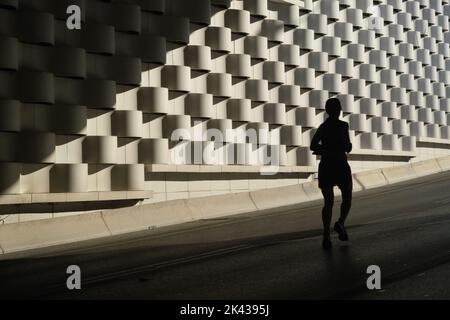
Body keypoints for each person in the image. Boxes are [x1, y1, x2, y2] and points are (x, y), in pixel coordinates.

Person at [310, 98, 353, 250]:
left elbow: (313, 145)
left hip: (327, 165)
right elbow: (348, 147)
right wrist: (343, 146)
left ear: (327, 111)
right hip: (340, 164)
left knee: (328, 202)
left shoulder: (323, 127)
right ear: (339, 110)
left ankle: (326, 235)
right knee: (347, 196)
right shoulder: (343, 126)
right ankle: (340, 223)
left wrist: (324, 149)